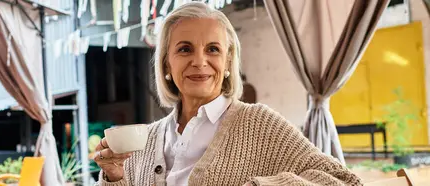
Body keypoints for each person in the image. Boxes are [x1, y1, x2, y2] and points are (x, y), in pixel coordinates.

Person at [93, 2, 361, 186]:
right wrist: (115, 176)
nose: (200, 61)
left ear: (228, 61)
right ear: (166, 63)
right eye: (185, 49)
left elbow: (343, 180)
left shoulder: (258, 123)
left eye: (213, 49)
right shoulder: (147, 139)